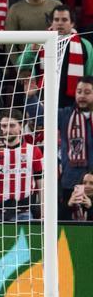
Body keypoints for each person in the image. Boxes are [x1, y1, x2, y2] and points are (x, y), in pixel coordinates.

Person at [16, 5, 93, 108]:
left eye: (64, 20)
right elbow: (20, 65)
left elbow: (89, 75)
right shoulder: (39, 42)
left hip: (73, 103)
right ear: (51, 22)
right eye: (56, 20)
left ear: (72, 23)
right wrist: (31, 51)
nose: (60, 23)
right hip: (42, 99)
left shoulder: (85, 45)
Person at [0, 110, 43, 221]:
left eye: (12, 126)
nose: (7, 130)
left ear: (21, 126)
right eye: (4, 126)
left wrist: (43, 214)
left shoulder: (34, 151)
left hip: (23, 213)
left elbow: (41, 185)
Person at [57, 76, 93, 210]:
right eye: (79, 92)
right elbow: (41, 117)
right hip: (70, 183)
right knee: (68, 221)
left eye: (87, 92)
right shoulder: (65, 115)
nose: (82, 95)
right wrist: (31, 98)